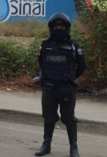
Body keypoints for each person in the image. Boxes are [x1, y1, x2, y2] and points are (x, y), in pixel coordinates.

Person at [35, 13, 86, 157]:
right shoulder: (45, 46)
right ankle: (46, 145)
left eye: (61, 27)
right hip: (49, 88)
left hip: (66, 88)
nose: (59, 29)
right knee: (49, 117)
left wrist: (70, 78)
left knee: (68, 118)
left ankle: (73, 148)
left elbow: (82, 66)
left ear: (67, 29)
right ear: (51, 29)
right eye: (56, 27)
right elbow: (41, 64)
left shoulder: (74, 47)